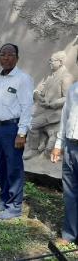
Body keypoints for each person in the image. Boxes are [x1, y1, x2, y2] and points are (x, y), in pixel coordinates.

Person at [0, 43, 34, 219]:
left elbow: (27, 107)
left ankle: (14, 207)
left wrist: (22, 133)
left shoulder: (23, 79)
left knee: (14, 167)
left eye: (10, 54)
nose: (6, 58)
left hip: (13, 129)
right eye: (2, 54)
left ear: (17, 58)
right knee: (2, 166)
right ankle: (4, 200)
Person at [50, 54, 78, 244]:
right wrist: (59, 145)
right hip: (70, 146)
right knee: (70, 193)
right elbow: (65, 117)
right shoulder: (74, 89)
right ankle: (69, 235)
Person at [25, 51, 74, 158]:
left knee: (32, 125)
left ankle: (34, 149)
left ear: (60, 62)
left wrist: (53, 104)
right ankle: (38, 146)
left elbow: (68, 98)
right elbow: (38, 90)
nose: (49, 63)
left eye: (51, 60)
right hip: (43, 110)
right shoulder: (51, 75)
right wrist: (38, 96)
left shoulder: (66, 77)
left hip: (55, 113)